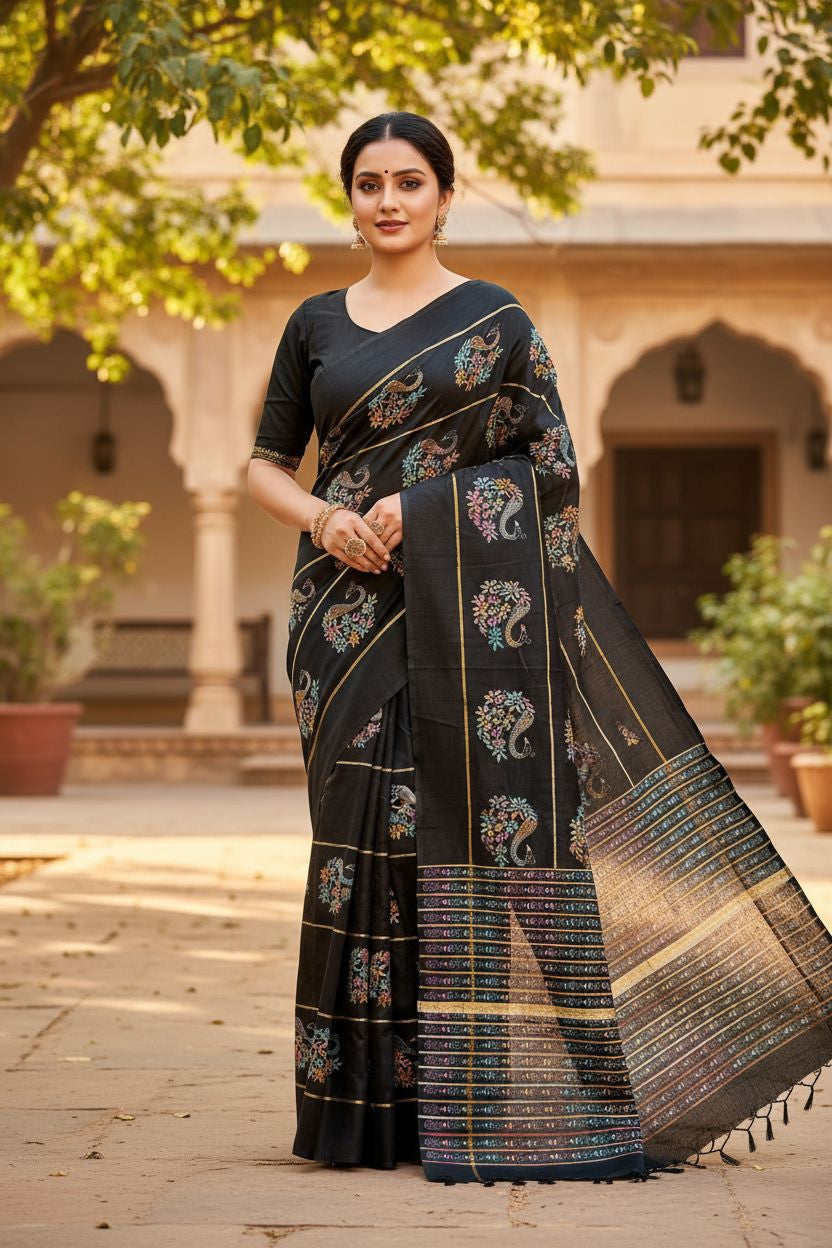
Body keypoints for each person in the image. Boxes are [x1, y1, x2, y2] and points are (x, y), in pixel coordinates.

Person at [247, 111, 832, 1185]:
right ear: (348, 199)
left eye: (409, 182)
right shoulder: (315, 324)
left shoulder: (497, 322)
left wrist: (421, 509)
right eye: (368, 182)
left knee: (465, 828)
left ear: (443, 196)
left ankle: (481, 1100)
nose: (388, 200)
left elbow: (551, 472)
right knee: (356, 839)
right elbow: (265, 462)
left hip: (463, 612)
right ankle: (357, 1111)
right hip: (340, 615)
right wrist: (323, 520)